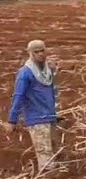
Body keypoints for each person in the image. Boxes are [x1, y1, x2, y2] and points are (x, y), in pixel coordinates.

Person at [5, 39, 61, 172]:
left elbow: (52, 93)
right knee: (46, 158)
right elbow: (19, 96)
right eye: (36, 52)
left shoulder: (48, 71)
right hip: (37, 120)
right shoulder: (25, 73)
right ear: (30, 53)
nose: (40, 54)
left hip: (50, 117)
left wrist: (54, 113)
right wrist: (12, 120)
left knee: (55, 153)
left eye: (42, 51)